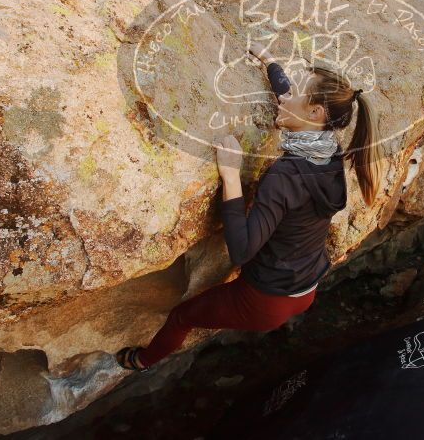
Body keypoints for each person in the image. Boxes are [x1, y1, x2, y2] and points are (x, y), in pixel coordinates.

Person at [116, 43, 382, 371]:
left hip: (265, 300)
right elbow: (289, 98)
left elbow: (241, 250)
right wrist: (271, 62)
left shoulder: (285, 176)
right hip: (306, 287)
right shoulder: (328, 149)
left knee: (181, 317)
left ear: (316, 113)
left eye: (296, 93)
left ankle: (142, 360)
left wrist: (230, 174)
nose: (285, 97)